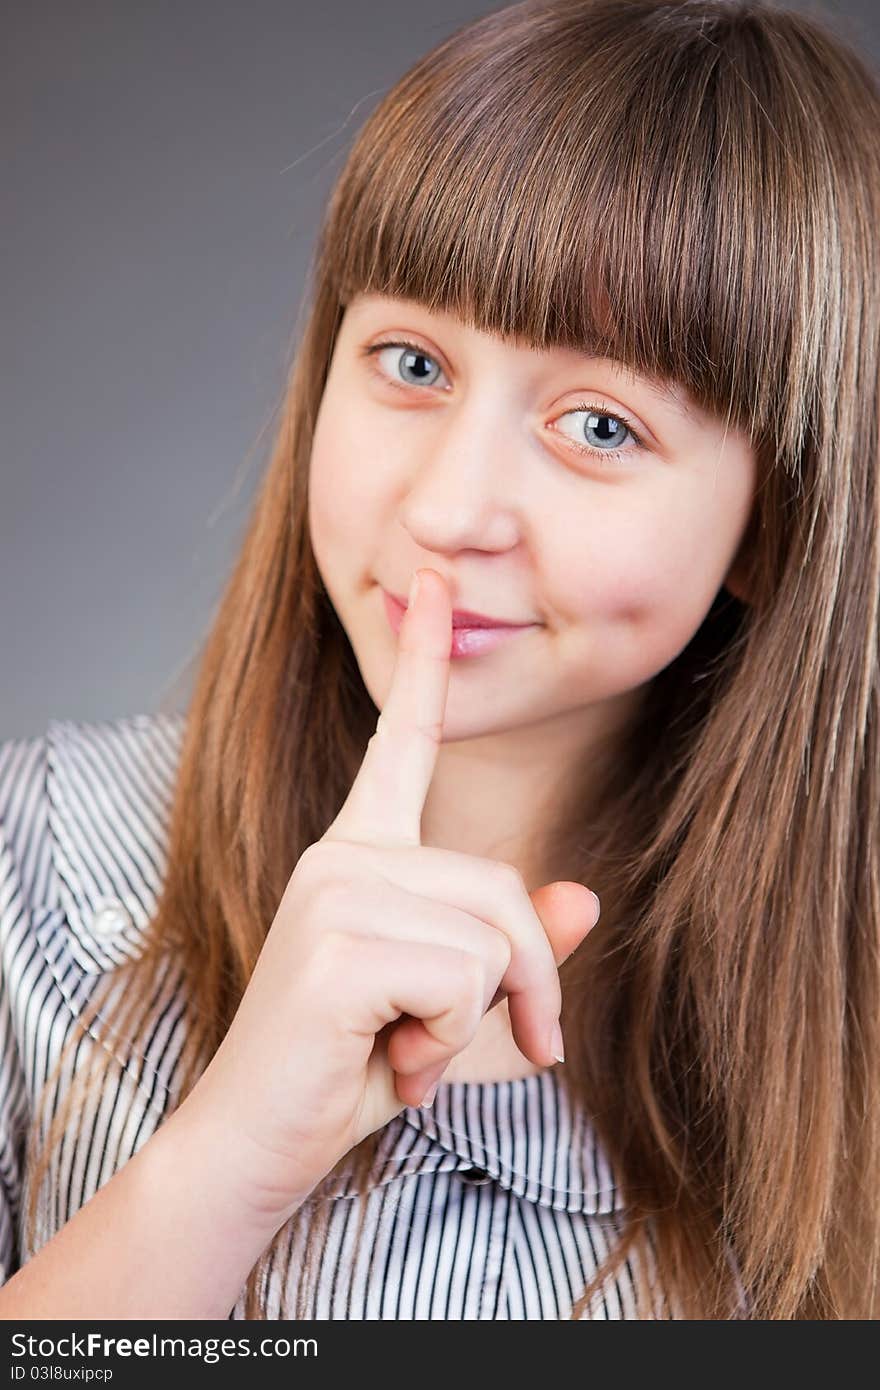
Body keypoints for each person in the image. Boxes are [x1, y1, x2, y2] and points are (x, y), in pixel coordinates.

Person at [0, 0, 878, 1321]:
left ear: (777, 524)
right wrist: (225, 1159)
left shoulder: (844, 1099)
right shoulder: (33, 872)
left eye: (600, 423)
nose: (449, 509)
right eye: (410, 359)